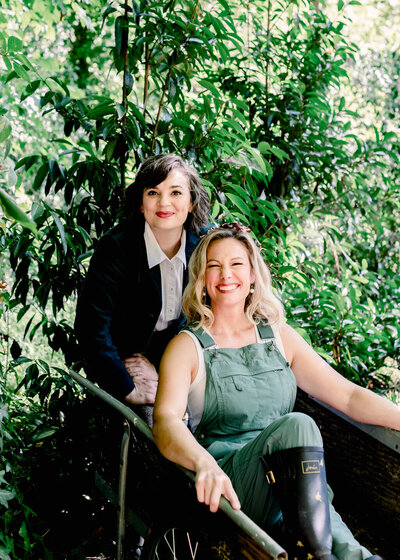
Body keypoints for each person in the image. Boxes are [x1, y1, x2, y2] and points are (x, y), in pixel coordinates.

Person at [153, 223, 399, 560]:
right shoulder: (187, 347)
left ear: (252, 273)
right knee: (298, 427)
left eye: (237, 264)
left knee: (350, 550)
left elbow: (348, 397)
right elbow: (165, 421)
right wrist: (203, 462)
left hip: (294, 483)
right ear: (202, 278)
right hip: (233, 484)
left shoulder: (278, 337)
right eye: (214, 265)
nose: (227, 274)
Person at [74, 154, 210, 408]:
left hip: (185, 362)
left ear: (191, 203)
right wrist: (127, 388)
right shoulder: (116, 247)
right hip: (127, 365)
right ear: (140, 203)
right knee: (157, 421)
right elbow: (91, 328)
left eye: (176, 193)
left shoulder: (206, 245)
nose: (164, 203)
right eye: (153, 193)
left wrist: (168, 369)